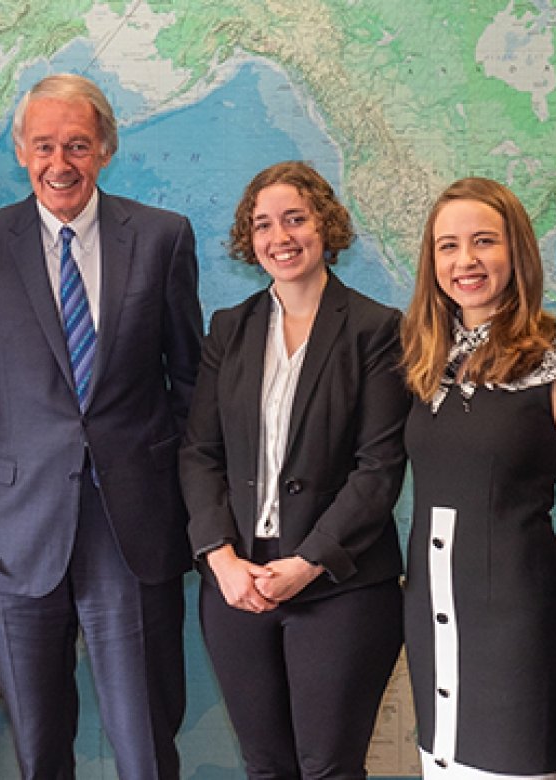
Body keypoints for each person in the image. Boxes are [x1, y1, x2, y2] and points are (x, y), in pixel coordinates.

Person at [0, 73, 203, 779]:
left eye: (78, 145)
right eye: (45, 145)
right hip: (14, 535)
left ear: (105, 151)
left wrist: (198, 512)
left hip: (134, 527)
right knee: (39, 746)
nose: (61, 163)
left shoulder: (162, 239)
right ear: (22, 152)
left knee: (145, 740)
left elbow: (191, 389)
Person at [179, 161, 407, 779]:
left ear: (325, 225)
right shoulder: (230, 329)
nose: (279, 236)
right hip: (238, 582)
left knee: (328, 768)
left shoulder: (376, 329)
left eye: (295, 219)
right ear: (247, 241)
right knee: (265, 766)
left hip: (341, 585)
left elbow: (379, 466)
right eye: (263, 225)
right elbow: (200, 451)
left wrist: (308, 563)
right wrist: (220, 559)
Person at [401, 177, 556, 778]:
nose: (466, 261)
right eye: (448, 245)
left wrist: (537, 566)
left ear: (517, 253)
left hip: (514, 627)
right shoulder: (426, 360)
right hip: (432, 620)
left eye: (485, 241)